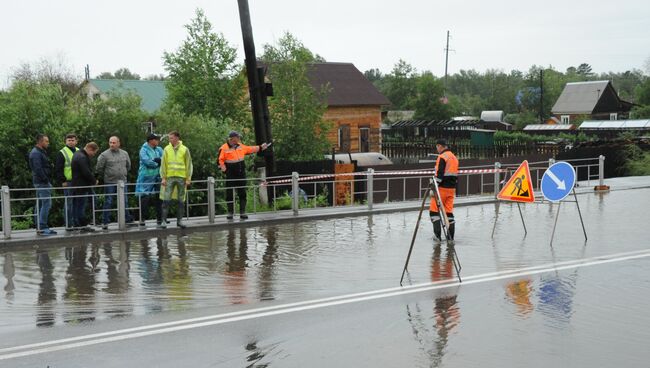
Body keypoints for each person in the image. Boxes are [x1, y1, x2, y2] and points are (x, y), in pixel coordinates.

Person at [218, 131, 269, 220]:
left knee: (242, 193)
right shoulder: (223, 148)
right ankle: (230, 213)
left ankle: (242, 212)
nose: (239, 139)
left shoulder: (240, 146)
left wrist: (261, 147)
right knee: (229, 194)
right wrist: (225, 171)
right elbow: (219, 161)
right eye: (237, 137)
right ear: (232, 138)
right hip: (231, 175)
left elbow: (250, 149)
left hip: (241, 174)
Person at [96, 136, 134, 230]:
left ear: (118, 143)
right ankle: (105, 221)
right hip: (110, 182)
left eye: (114, 143)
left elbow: (128, 166)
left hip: (122, 182)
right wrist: (109, 175)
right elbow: (99, 168)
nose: (112, 144)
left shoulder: (124, 153)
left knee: (124, 201)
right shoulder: (104, 155)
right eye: (110, 142)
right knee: (108, 201)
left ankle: (127, 220)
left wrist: (122, 174)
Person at [159, 131, 192, 229]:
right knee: (166, 199)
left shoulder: (185, 149)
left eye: (171, 138)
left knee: (181, 200)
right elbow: (163, 164)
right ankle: (163, 221)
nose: (170, 140)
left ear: (177, 138)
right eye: (169, 138)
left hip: (181, 178)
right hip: (169, 177)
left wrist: (188, 178)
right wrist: (163, 177)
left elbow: (189, 164)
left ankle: (180, 221)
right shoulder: (166, 149)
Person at [430, 139, 458, 241]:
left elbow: (439, 175)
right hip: (451, 189)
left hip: (441, 189)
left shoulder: (442, 157)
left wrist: (434, 187)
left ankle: (437, 237)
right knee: (449, 213)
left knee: (434, 212)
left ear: (440, 146)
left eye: (437, 147)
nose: (437, 149)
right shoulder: (454, 157)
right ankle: (450, 238)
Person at [28, 134, 57, 235]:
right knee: (46, 204)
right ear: (40, 142)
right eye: (46, 141)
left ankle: (39, 226)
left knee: (40, 204)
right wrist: (46, 180)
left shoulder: (39, 152)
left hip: (40, 182)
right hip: (42, 182)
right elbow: (38, 169)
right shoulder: (36, 153)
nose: (48, 143)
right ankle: (43, 227)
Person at [135, 133, 164, 227]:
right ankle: (142, 219)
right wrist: (157, 163)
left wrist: (158, 160)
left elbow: (165, 159)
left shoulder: (159, 149)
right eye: (156, 139)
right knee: (144, 197)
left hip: (158, 175)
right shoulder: (143, 150)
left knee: (160, 197)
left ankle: (160, 219)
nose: (158, 141)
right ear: (151, 140)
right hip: (146, 176)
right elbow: (147, 161)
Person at [71, 142, 99, 232]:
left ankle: (76, 224)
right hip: (82, 186)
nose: (94, 155)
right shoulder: (82, 157)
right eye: (94, 152)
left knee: (76, 205)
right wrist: (94, 180)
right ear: (90, 149)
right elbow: (86, 172)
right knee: (81, 206)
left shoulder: (77, 154)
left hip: (76, 185)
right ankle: (82, 225)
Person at [54, 133, 78, 230]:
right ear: (65, 141)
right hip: (68, 182)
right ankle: (68, 224)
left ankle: (76, 223)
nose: (71, 142)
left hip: (78, 182)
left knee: (77, 203)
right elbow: (58, 168)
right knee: (68, 204)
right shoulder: (62, 152)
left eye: (73, 140)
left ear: (76, 141)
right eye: (69, 140)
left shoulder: (78, 151)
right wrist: (62, 181)